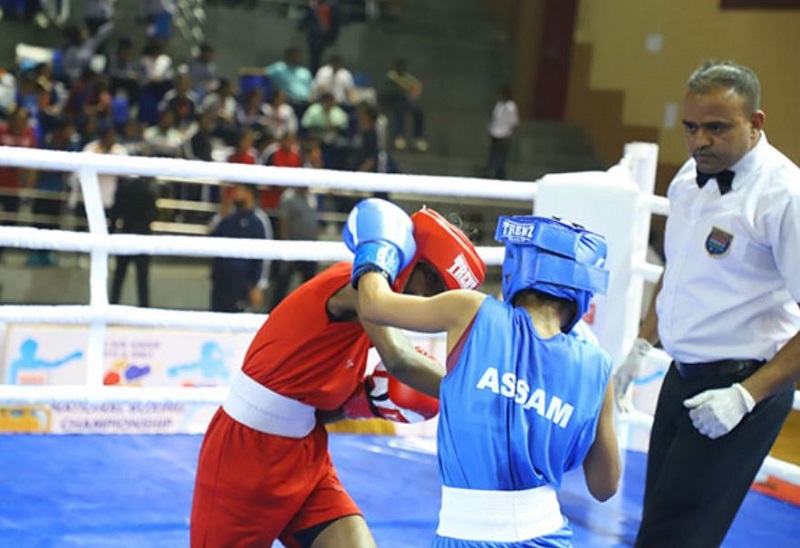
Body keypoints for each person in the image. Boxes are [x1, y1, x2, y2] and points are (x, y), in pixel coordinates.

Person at [190, 201, 487, 547]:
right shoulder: (358, 286)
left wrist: (367, 404)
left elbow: (311, 408)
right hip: (245, 459)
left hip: (306, 456)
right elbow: (401, 361)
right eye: (434, 288)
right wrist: (486, 392)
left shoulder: (378, 310)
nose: (430, 302)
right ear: (415, 263)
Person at [348, 207, 620, 546]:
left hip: (467, 535)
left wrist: (376, 250)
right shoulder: (597, 367)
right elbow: (605, 486)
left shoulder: (471, 311)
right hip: (550, 535)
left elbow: (374, 304)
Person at [612, 60, 800, 548]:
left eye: (716, 128)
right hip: (682, 376)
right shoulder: (686, 183)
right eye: (691, 128)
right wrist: (639, 344)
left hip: (743, 386)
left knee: (673, 539)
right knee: (658, 524)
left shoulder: (785, 195)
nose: (699, 142)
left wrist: (746, 396)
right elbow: (677, 272)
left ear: (756, 123)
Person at [207, 183, 272, 313]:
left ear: (249, 193)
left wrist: (258, 285)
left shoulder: (259, 220)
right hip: (221, 281)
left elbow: (265, 254)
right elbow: (210, 237)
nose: (234, 194)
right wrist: (220, 216)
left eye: (238, 190)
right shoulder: (228, 216)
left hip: (243, 284)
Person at [485, 84, 519, 180]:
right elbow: (494, 119)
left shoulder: (511, 107)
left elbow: (514, 123)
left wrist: (508, 136)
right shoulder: (498, 105)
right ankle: (491, 174)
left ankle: (500, 176)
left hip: (504, 136)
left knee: (501, 158)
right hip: (495, 134)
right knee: (492, 156)